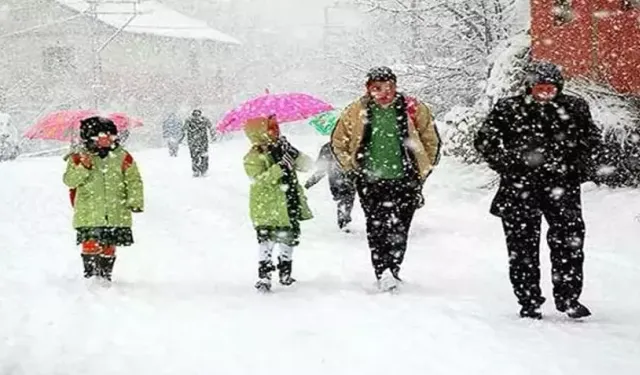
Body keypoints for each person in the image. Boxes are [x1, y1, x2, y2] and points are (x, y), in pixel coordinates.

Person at [474, 61, 603, 319]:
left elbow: (592, 140)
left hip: (562, 187)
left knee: (569, 243)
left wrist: (576, 165)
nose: (545, 93)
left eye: (550, 88)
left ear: (559, 87)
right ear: (529, 87)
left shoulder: (574, 107)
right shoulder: (509, 108)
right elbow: (485, 140)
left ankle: (568, 298)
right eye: (539, 88)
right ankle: (529, 300)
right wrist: (507, 163)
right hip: (518, 188)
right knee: (522, 249)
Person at [331, 66, 441, 291]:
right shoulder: (355, 111)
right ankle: (382, 270)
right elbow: (338, 141)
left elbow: (431, 139)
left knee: (401, 226)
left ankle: (394, 267)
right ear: (368, 89)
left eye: (390, 87)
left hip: (405, 178)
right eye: (378, 88)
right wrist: (352, 167)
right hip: (370, 180)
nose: (385, 93)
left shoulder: (413, 108)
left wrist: (423, 168)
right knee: (377, 226)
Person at [63, 116, 144, 284]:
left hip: (116, 211)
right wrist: (83, 167)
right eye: (102, 135)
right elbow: (69, 181)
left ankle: (105, 275)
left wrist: (135, 201)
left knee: (109, 243)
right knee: (91, 242)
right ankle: (91, 276)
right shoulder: (79, 157)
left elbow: (134, 180)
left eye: (111, 135)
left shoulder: (122, 156)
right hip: (89, 210)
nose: (108, 138)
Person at [243, 116, 313, 292]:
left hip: (288, 200)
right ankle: (264, 276)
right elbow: (259, 180)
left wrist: (293, 152)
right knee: (266, 241)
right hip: (267, 206)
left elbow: (307, 165)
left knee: (288, 238)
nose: (276, 131)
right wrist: (280, 166)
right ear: (259, 133)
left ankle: (285, 272)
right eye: (271, 128)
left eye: (276, 127)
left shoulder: (282, 149)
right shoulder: (252, 157)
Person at [304, 142, 356, 231]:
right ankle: (344, 220)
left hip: (336, 179)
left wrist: (310, 182)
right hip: (346, 178)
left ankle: (343, 220)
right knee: (347, 198)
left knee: (344, 198)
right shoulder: (351, 145)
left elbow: (321, 169)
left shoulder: (328, 147)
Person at [183, 109, 214, 177]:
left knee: (195, 156)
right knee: (203, 156)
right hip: (202, 141)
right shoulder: (204, 120)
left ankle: (196, 170)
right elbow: (211, 128)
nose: (196, 117)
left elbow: (183, 129)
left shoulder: (189, 120)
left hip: (193, 141)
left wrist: (181, 138)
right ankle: (203, 170)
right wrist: (213, 135)